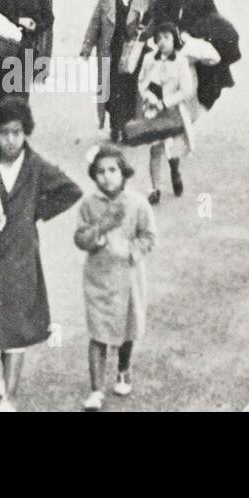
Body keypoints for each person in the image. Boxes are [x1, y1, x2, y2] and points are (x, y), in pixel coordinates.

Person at [0, 99, 83, 411]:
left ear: (26, 133)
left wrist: (36, 211)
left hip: (22, 255)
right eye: (3, 133)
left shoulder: (36, 167)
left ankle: (10, 397)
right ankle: (3, 378)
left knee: (16, 327)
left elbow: (71, 191)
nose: (10, 140)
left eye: (17, 133)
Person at [73, 144, 157, 412]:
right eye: (100, 172)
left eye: (112, 170)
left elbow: (149, 236)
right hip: (98, 278)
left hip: (128, 278)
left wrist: (131, 251)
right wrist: (98, 233)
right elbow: (80, 237)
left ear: (124, 173)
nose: (107, 176)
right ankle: (96, 390)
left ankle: (123, 369)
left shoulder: (138, 203)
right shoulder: (88, 204)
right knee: (98, 333)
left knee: (126, 329)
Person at [82, 0, 155, 143]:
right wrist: (86, 47)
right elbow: (95, 22)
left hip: (134, 54)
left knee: (131, 91)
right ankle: (115, 127)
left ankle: (129, 128)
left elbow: (154, 24)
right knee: (112, 91)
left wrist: (145, 32)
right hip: (110, 51)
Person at [137, 23, 197, 205]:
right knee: (155, 149)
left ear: (174, 39)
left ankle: (175, 171)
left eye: (166, 37)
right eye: (159, 38)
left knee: (171, 148)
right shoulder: (149, 59)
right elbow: (141, 83)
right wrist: (149, 97)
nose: (162, 42)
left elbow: (187, 90)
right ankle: (155, 188)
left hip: (172, 111)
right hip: (154, 111)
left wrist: (167, 102)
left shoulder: (181, 61)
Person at [6, 0, 55, 97]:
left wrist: (36, 26)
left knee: (21, 88)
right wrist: (19, 21)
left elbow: (49, 18)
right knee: (6, 87)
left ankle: (19, 117)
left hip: (29, 44)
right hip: (7, 43)